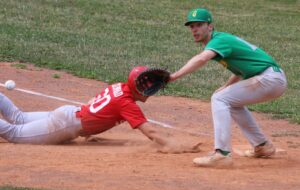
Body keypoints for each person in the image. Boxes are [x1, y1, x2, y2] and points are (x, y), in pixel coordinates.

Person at [169, 8, 287, 167]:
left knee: (219, 98)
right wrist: (224, 87)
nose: (195, 29)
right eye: (191, 26)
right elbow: (239, 72)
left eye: (199, 25)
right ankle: (262, 146)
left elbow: (202, 58)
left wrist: (174, 76)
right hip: (272, 79)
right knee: (228, 100)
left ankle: (222, 154)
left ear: (209, 26)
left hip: (269, 78)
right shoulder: (221, 41)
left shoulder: (218, 40)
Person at [0, 66, 200, 153]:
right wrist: (177, 146)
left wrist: (92, 126)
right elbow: (151, 132)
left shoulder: (119, 86)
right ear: (138, 87)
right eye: (147, 86)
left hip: (69, 113)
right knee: (14, 133)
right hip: (66, 124)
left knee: (19, 117)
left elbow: (95, 104)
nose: (151, 90)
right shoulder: (127, 104)